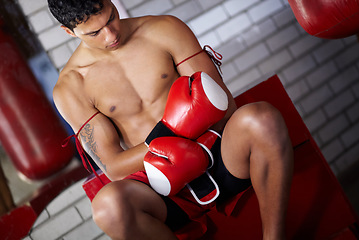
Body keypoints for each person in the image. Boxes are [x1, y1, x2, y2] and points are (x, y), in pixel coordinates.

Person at [48, 0, 294, 239]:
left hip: (216, 151)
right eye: (94, 32)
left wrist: (179, 135)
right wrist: (168, 135)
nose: (111, 35)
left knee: (262, 118)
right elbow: (113, 167)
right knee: (108, 208)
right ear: (69, 31)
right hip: (160, 184)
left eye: (111, 17)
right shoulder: (71, 87)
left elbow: (221, 103)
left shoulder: (164, 29)